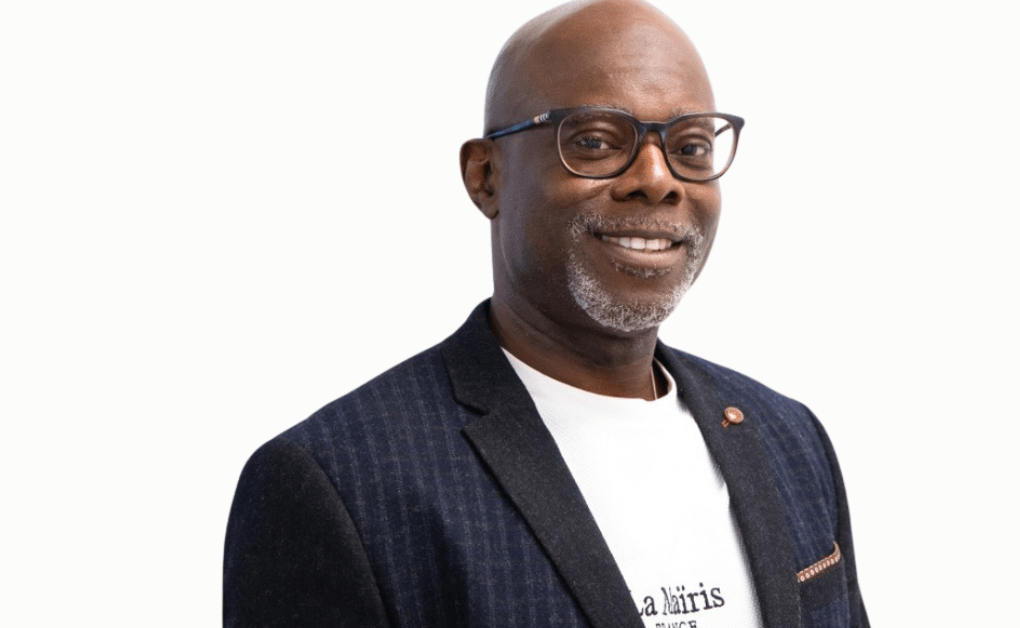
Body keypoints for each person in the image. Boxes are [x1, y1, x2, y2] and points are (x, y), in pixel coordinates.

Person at [223, 1, 869, 626]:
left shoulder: (790, 439)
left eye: (692, 147)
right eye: (594, 140)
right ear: (486, 177)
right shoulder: (338, 487)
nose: (657, 177)